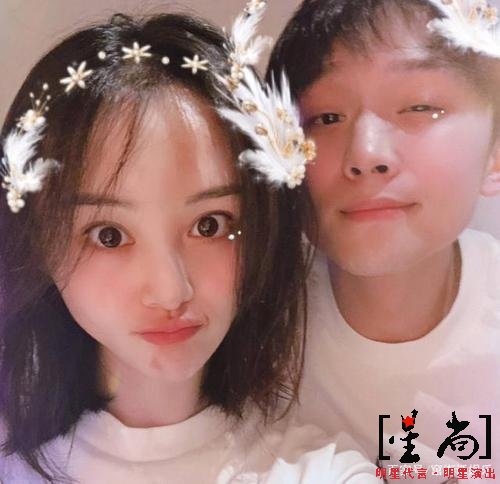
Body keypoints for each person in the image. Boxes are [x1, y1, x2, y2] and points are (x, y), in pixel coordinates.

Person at [0, 7, 379, 484]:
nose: (170, 291)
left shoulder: (320, 473)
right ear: (38, 240)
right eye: (109, 235)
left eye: (209, 225)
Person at [268, 0, 500, 479]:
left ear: (495, 153)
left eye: (420, 107)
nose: (366, 154)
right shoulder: (251, 332)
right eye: (325, 117)